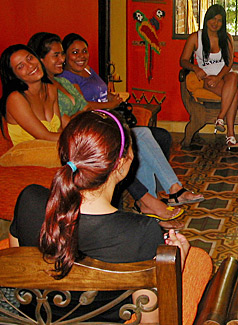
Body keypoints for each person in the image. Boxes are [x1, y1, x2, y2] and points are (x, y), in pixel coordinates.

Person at [8, 111, 192, 325]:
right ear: (122, 163)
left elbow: (18, 273)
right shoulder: (141, 231)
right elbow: (150, 323)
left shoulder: (29, 200)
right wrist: (174, 265)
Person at [26, 32, 190, 227]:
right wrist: (102, 112)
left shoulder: (60, 83)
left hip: (91, 127)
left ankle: (153, 200)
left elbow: (82, 108)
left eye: (62, 54)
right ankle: (152, 200)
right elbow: (63, 121)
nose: (61, 59)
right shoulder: (38, 90)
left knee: (150, 138)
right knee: (120, 149)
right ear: (40, 58)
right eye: (57, 55)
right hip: (83, 134)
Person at [58, 33, 204, 213]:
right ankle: (168, 191)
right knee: (140, 136)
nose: (81, 56)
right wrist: (111, 104)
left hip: (112, 119)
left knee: (159, 136)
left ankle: (153, 196)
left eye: (84, 51)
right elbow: (85, 105)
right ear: (65, 56)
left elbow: (102, 91)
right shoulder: (68, 77)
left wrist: (112, 97)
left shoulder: (88, 70)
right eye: (74, 52)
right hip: (98, 125)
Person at [179, 4, 238, 148]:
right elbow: (183, 60)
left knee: (234, 77)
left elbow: (229, 63)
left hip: (223, 76)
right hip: (207, 78)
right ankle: (230, 135)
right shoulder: (196, 37)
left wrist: (218, 77)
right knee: (235, 93)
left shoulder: (227, 38)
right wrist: (195, 68)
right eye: (212, 19)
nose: (215, 23)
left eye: (219, 20)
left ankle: (220, 118)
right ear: (206, 19)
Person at [0, 44, 63, 145]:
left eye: (30, 58)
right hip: (28, 157)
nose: (30, 65)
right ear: (14, 75)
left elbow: (59, 130)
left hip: (53, 152)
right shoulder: (15, 98)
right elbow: (45, 136)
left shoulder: (51, 89)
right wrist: (82, 137)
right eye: (21, 66)